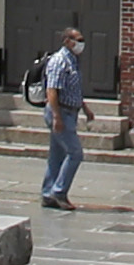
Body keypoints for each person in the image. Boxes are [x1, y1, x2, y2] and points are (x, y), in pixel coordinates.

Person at [36, 21, 90, 211]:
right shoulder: (59, 60)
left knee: (56, 155)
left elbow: (72, 89)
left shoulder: (73, 61)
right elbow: (52, 91)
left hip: (70, 111)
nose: (82, 44)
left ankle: (47, 193)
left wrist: (85, 108)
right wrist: (57, 117)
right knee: (75, 153)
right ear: (67, 41)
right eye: (78, 40)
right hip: (61, 112)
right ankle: (59, 192)